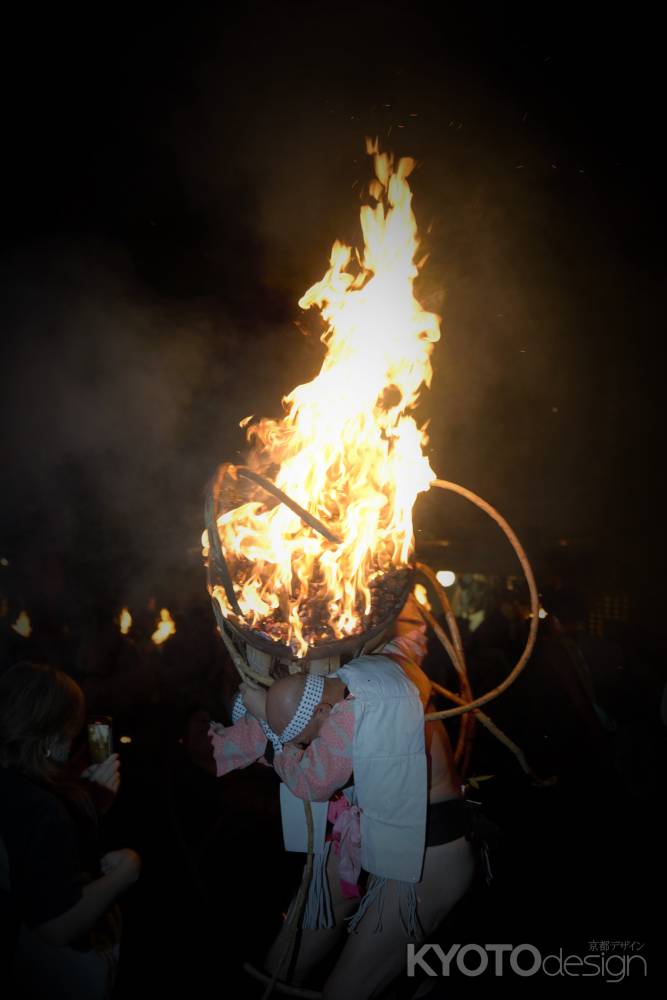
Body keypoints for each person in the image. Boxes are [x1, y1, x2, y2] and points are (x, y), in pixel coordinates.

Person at [197, 596, 476, 1000]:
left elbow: (312, 779)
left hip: (426, 859)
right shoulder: (331, 678)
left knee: (346, 992)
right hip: (365, 843)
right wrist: (225, 742)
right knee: (282, 962)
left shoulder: (377, 687)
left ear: (324, 711)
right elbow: (282, 719)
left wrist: (391, 582)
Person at [0, 662, 141, 1000]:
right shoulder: (40, 809)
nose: (75, 738)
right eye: (71, 729)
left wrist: (91, 803)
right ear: (50, 736)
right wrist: (126, 873)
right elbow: (56, 926)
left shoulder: (17, 785)